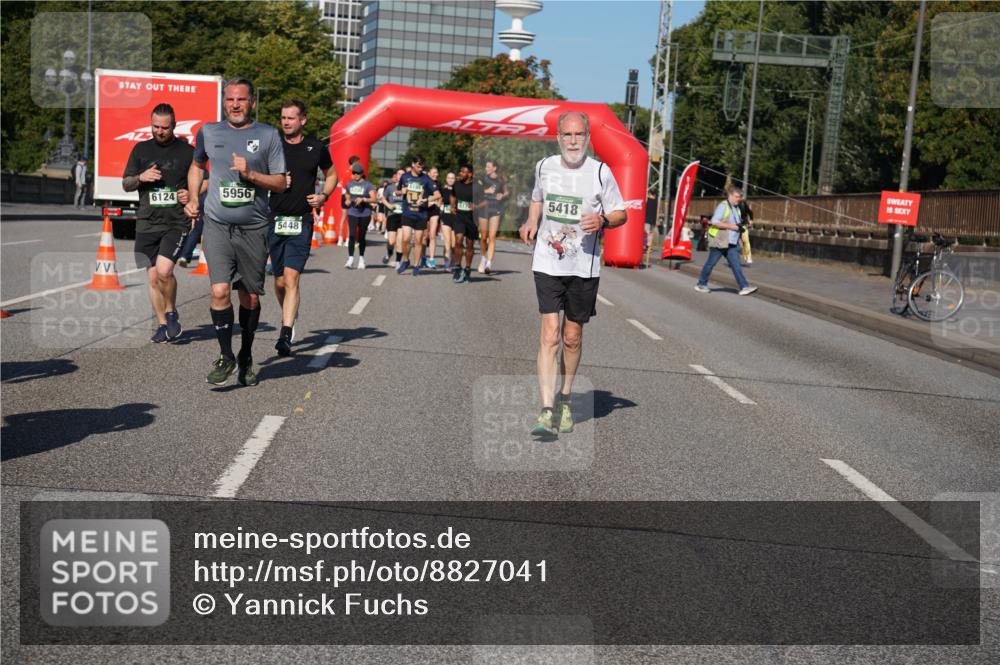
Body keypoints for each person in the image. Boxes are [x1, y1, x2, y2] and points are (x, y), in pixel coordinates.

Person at [518, 111, 626, 435]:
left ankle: (565, 399)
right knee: (549, 333)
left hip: (584, 266)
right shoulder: (544, 167)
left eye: (579, 134)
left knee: (572, 337)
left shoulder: (601, 173)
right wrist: (531, 221)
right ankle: (546, 409)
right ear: (558, 137)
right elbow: (537, 199)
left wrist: (604, 220)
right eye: (567, 135)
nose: (573, 140)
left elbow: (621, 213)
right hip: (548, 262)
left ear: (588, 138)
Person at [184, 77, 286, 386]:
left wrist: (250, 174)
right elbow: (196, 166)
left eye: (241, 99)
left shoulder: (268, 135)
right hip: (217, 224)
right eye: (230, 99)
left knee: (250, 298)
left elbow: (281, 182)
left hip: (254, 227)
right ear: (223, 102)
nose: (235, 105)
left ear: (252, 102)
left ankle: (246, 354)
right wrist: (192, 198)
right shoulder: (209, 131)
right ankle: (226, 355)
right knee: (219, 291)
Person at [268, 98, 336, 357]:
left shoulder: (316, 147)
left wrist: (323, 196)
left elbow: (332, 174)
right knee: (279, 280)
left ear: (302, 120)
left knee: (292, 277)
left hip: (302, 220)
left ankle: (285, 333)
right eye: (283, 118)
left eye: (291, 118)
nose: (286, 122)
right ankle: (290, 313)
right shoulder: (273, 146)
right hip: (275, 219)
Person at [122, 103, 193, 343]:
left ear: (173, 126)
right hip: (146, 222)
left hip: (175, 221)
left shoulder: (187, 152)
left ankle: (171, 313)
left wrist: (190, 195)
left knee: (164, 271)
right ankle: (162, 324)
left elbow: (204, 181)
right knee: (153, 278)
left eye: (165, 127)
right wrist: (141, 177)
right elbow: (126, 183)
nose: (160, 131)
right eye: (155, 126)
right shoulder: (140, 149)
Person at [694, 185, 757, 296]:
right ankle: (701, 284)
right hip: (720, 241)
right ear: (730, 195)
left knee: (736, 265)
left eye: (740, 197)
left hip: (732, 242)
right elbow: (714, 221)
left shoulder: (737, 208)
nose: (739, 199)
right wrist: (731, 227)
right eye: (737, 197)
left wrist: (744, 225)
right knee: (711, 263)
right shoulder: (723, 206)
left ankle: (744, 287)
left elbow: (736, 223)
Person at [395, 155, 437, 276]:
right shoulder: (405, 177)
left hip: (421, 214)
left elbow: (437, 194)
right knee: (405, 239)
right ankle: (406, 260)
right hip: (408, 212)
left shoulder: (426, 179)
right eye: (418, 165)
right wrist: (400, 192)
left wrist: (426, 199)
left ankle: (416, 265)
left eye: (422, 166)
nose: (420, 168)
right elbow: (398, 191)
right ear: (413, 164)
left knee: (418, 241)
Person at [477, 159, 508, 274]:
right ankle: (483, 258)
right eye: (486, 167)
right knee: (483, 237)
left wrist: (502, 195)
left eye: (488, 166)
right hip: (484, 208)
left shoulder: (501, 179)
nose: (486, 168)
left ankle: (489, 263)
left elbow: (506, 192)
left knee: (492, 236)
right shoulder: (482, 178)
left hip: (495, 208)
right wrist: (487, 190)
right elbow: (476, 191)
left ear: (494, 168)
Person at [343, 162, 377, 269]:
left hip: (364, 213)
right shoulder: (349, 184)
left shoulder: (368, 185)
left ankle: (361, 259)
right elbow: (347, 193)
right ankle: (350, 259)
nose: (355, 175)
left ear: (362, 174)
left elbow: (374, 199)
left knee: (361, 237)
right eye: (354, 173)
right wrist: (348, 200)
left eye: (357, 173)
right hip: (352, 212)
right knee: (352, 235)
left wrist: (363, 199)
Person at [450, 164, 477, 284]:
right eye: (460, 171)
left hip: (472, 219)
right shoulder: (456, 184)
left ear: (470, 174)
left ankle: (468, 268)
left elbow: (485, 200)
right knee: (458, 240)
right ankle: (457, 267)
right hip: (459, 217)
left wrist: (477, 206)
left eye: (463, 172)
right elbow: (452, 195)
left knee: (470, 245)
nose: (460, 174)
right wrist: (452, 205)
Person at [381, 169, 404, 266]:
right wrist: (389, 205)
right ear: (396, 176)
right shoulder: (390, 187)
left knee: (400, 240)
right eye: (399, 174)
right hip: (392, 215)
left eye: (403, 174)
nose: (401, 175)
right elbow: (383, 199)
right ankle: (389, 253)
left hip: (403, 216)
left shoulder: (407, 188)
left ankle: (398, 262)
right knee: (391, 241)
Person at [424, 166, 443, 269]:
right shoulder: (424, 182)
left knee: (432, 235)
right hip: (424, 210)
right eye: (434, 172)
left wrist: (437, 203)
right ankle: (423, 258)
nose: (436, 174)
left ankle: (431, 259)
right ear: (429, 173)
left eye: (437, 172)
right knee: (424, 236)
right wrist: (427, 201)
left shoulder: (438, 184)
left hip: (434, 211)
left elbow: (440, 197)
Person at [439, 171, 456, 271]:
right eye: (449, 178)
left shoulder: (458, 190)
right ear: (446, 179)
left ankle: (453, 262)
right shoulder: (443, 190)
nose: (451, 180)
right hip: (445, 217)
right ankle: (446, 263)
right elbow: (438, 202)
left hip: (455, 218)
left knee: (454, 244)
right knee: (447, 242)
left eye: (452, 178)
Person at [738, 197, 754, 265]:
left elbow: (750, 212)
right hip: (734, 225)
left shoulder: (743, 204)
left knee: (745, 241)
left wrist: (751, 220)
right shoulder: (731, 205)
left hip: (743, 224)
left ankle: (748, 257)